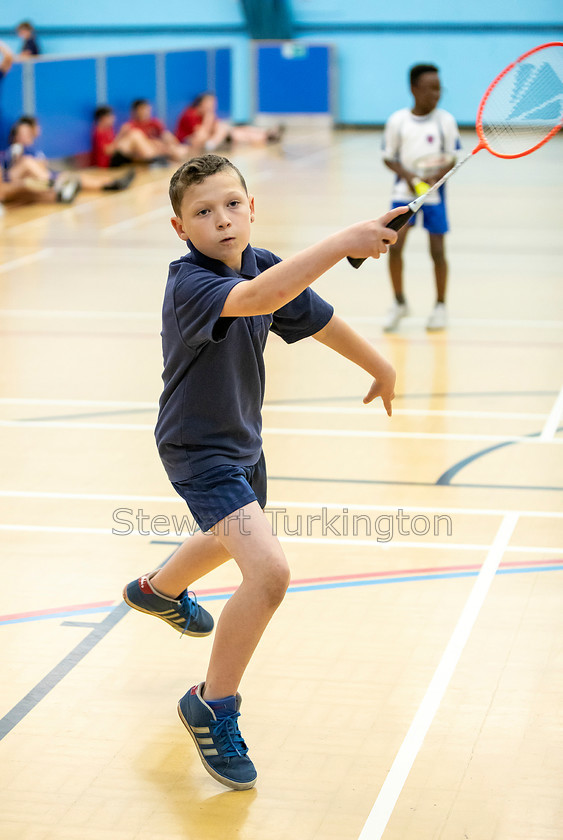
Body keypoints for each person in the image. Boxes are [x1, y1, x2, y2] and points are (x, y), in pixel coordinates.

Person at [122, 153, 404, 791]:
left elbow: (314, 314)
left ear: (252, 208)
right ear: (180, 228)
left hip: (243, 445)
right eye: (202, 212)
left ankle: (156, 591)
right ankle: (211, 705)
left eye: (232, 205)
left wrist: (378, 366)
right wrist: (342, 240)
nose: (221, 220)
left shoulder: (261, 262)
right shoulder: (192, 284)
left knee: (229, 539)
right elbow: (263, 300)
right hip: (198, 449)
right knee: (269, 571)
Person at [381, 63, 461, 332]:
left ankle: (440, 306)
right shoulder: (398, 121)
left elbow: (452, 158)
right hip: (403, 195)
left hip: (435, 196)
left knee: (437, 250)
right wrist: (412, 179)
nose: (436, 94)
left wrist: (435, 176)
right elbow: (388, 158)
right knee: (395, 246)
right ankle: (399, 302)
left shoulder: (445, 121)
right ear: (414, 89)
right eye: (430, 89)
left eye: (439, 88)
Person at [5, 117, 135, 193]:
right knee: (77, 179)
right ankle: (108, 185)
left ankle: (111, 182)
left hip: (49, 174)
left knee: (80, 176)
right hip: (45, 178)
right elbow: (17, 166)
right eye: (23, 133)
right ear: (15, 137)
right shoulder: (17, 150)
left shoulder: (32, 149)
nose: (28, 135)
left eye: (28, 132)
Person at [175, 92, 283, 151]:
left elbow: (215, 128)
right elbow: (200, 137)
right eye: (210, 103)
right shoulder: (190, 114)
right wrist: (208, 118)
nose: (213, 106)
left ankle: (266, 135)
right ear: (201, 103)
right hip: (190, 142)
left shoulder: (207, 115)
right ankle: (266, 136)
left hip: (212, 138)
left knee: (237, 130)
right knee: (228, 130)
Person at [91, 105, 168, 168]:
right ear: (103, 118)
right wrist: (121, 135)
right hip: (108, 163)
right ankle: (153, 159)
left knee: (137, 136)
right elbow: (108, 151)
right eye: (111, 116)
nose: (113, 119)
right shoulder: (99, 131)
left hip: (117, 157)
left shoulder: (109, 129)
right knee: (135, 135)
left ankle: (154, 159)